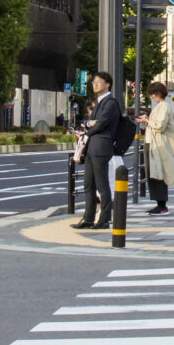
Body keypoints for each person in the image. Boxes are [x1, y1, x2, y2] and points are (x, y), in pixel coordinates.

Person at [75, 74, 124, 229]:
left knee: (102, 185)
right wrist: (90, 123)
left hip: (102, 146)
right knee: (88, 184)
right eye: (93, 83)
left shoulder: (110, 103)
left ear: (107, 84)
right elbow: (92, 122)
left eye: (98, 83)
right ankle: (88, 218)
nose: (94, 85)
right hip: (92, 147)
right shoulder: (99, 102)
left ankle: (104, 219)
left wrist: (89, 127)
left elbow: (101, 123)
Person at [142, 80, 174, 215]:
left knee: (158, 174)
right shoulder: (160, 106)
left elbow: (160, 125)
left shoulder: (164, 106)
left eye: (153, 94)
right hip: (154, 144)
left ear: (159, 93)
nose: (152, 96)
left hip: (158, 146)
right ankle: (159, 204)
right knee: (154, 174)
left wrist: (147, 120)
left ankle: (162, 205)